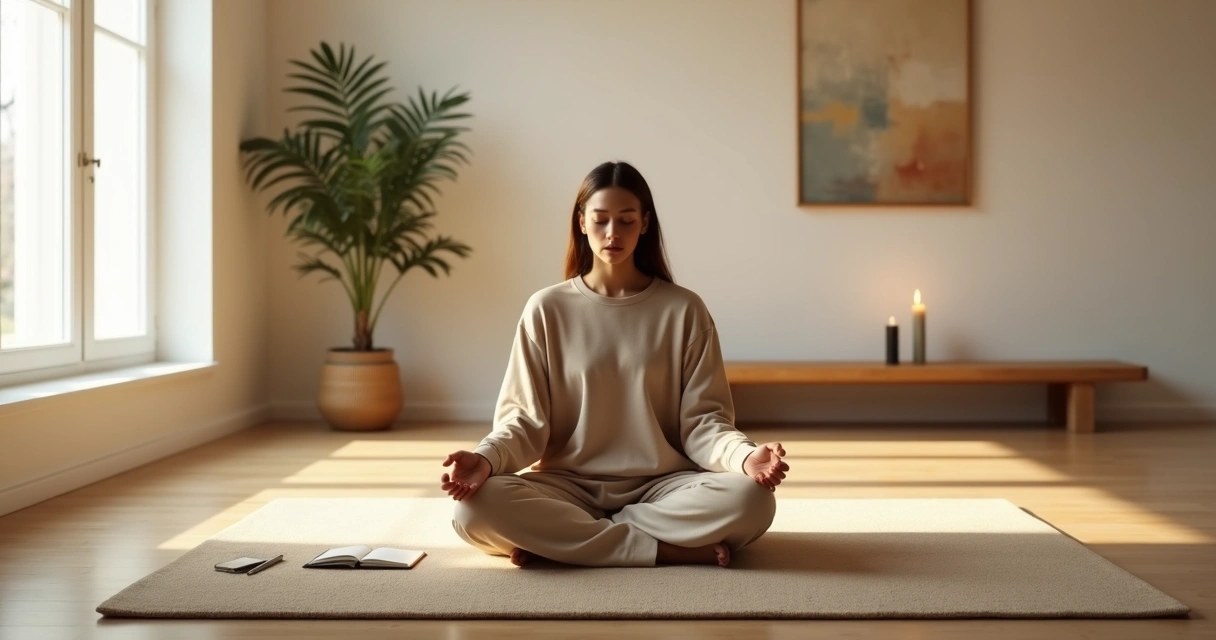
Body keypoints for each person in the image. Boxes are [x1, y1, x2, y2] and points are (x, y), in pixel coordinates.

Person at [440, 160, 789, 568]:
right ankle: (664, 549)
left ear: (644, 224)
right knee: (472, 511)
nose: (612, 233)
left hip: (664, 487)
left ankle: (569, 542)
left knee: (752, 501)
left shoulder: (684, 310)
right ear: (582, 222)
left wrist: (744, 457)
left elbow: (704, 422)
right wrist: (485, 459)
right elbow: (525, 422)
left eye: (625, 221)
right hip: (565, 486)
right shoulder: (546, 309)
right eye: (601, 219)